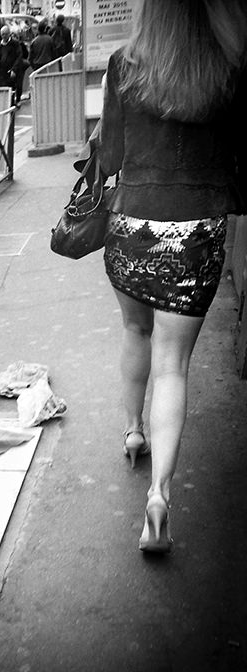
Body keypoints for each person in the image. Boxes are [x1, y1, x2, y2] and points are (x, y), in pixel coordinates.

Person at [96, 0, 247, 553]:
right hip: (197, 231)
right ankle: (159, 495)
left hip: (132, 222)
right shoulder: (230, 71)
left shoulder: (124, 65)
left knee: (135, 332)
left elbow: (109, 155)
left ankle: (132, 430)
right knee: (174, 366)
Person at [0, 25, 27, 107]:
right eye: (2, 34)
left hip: (12, 71)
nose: (3, 36)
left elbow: (19, 56)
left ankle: (13, 103)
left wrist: (14, 69)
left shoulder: (15, 44)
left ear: (9, 34)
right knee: (3, 88)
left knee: (13, 88)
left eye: (5, 34)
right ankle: (5, 105)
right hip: (2, 71)